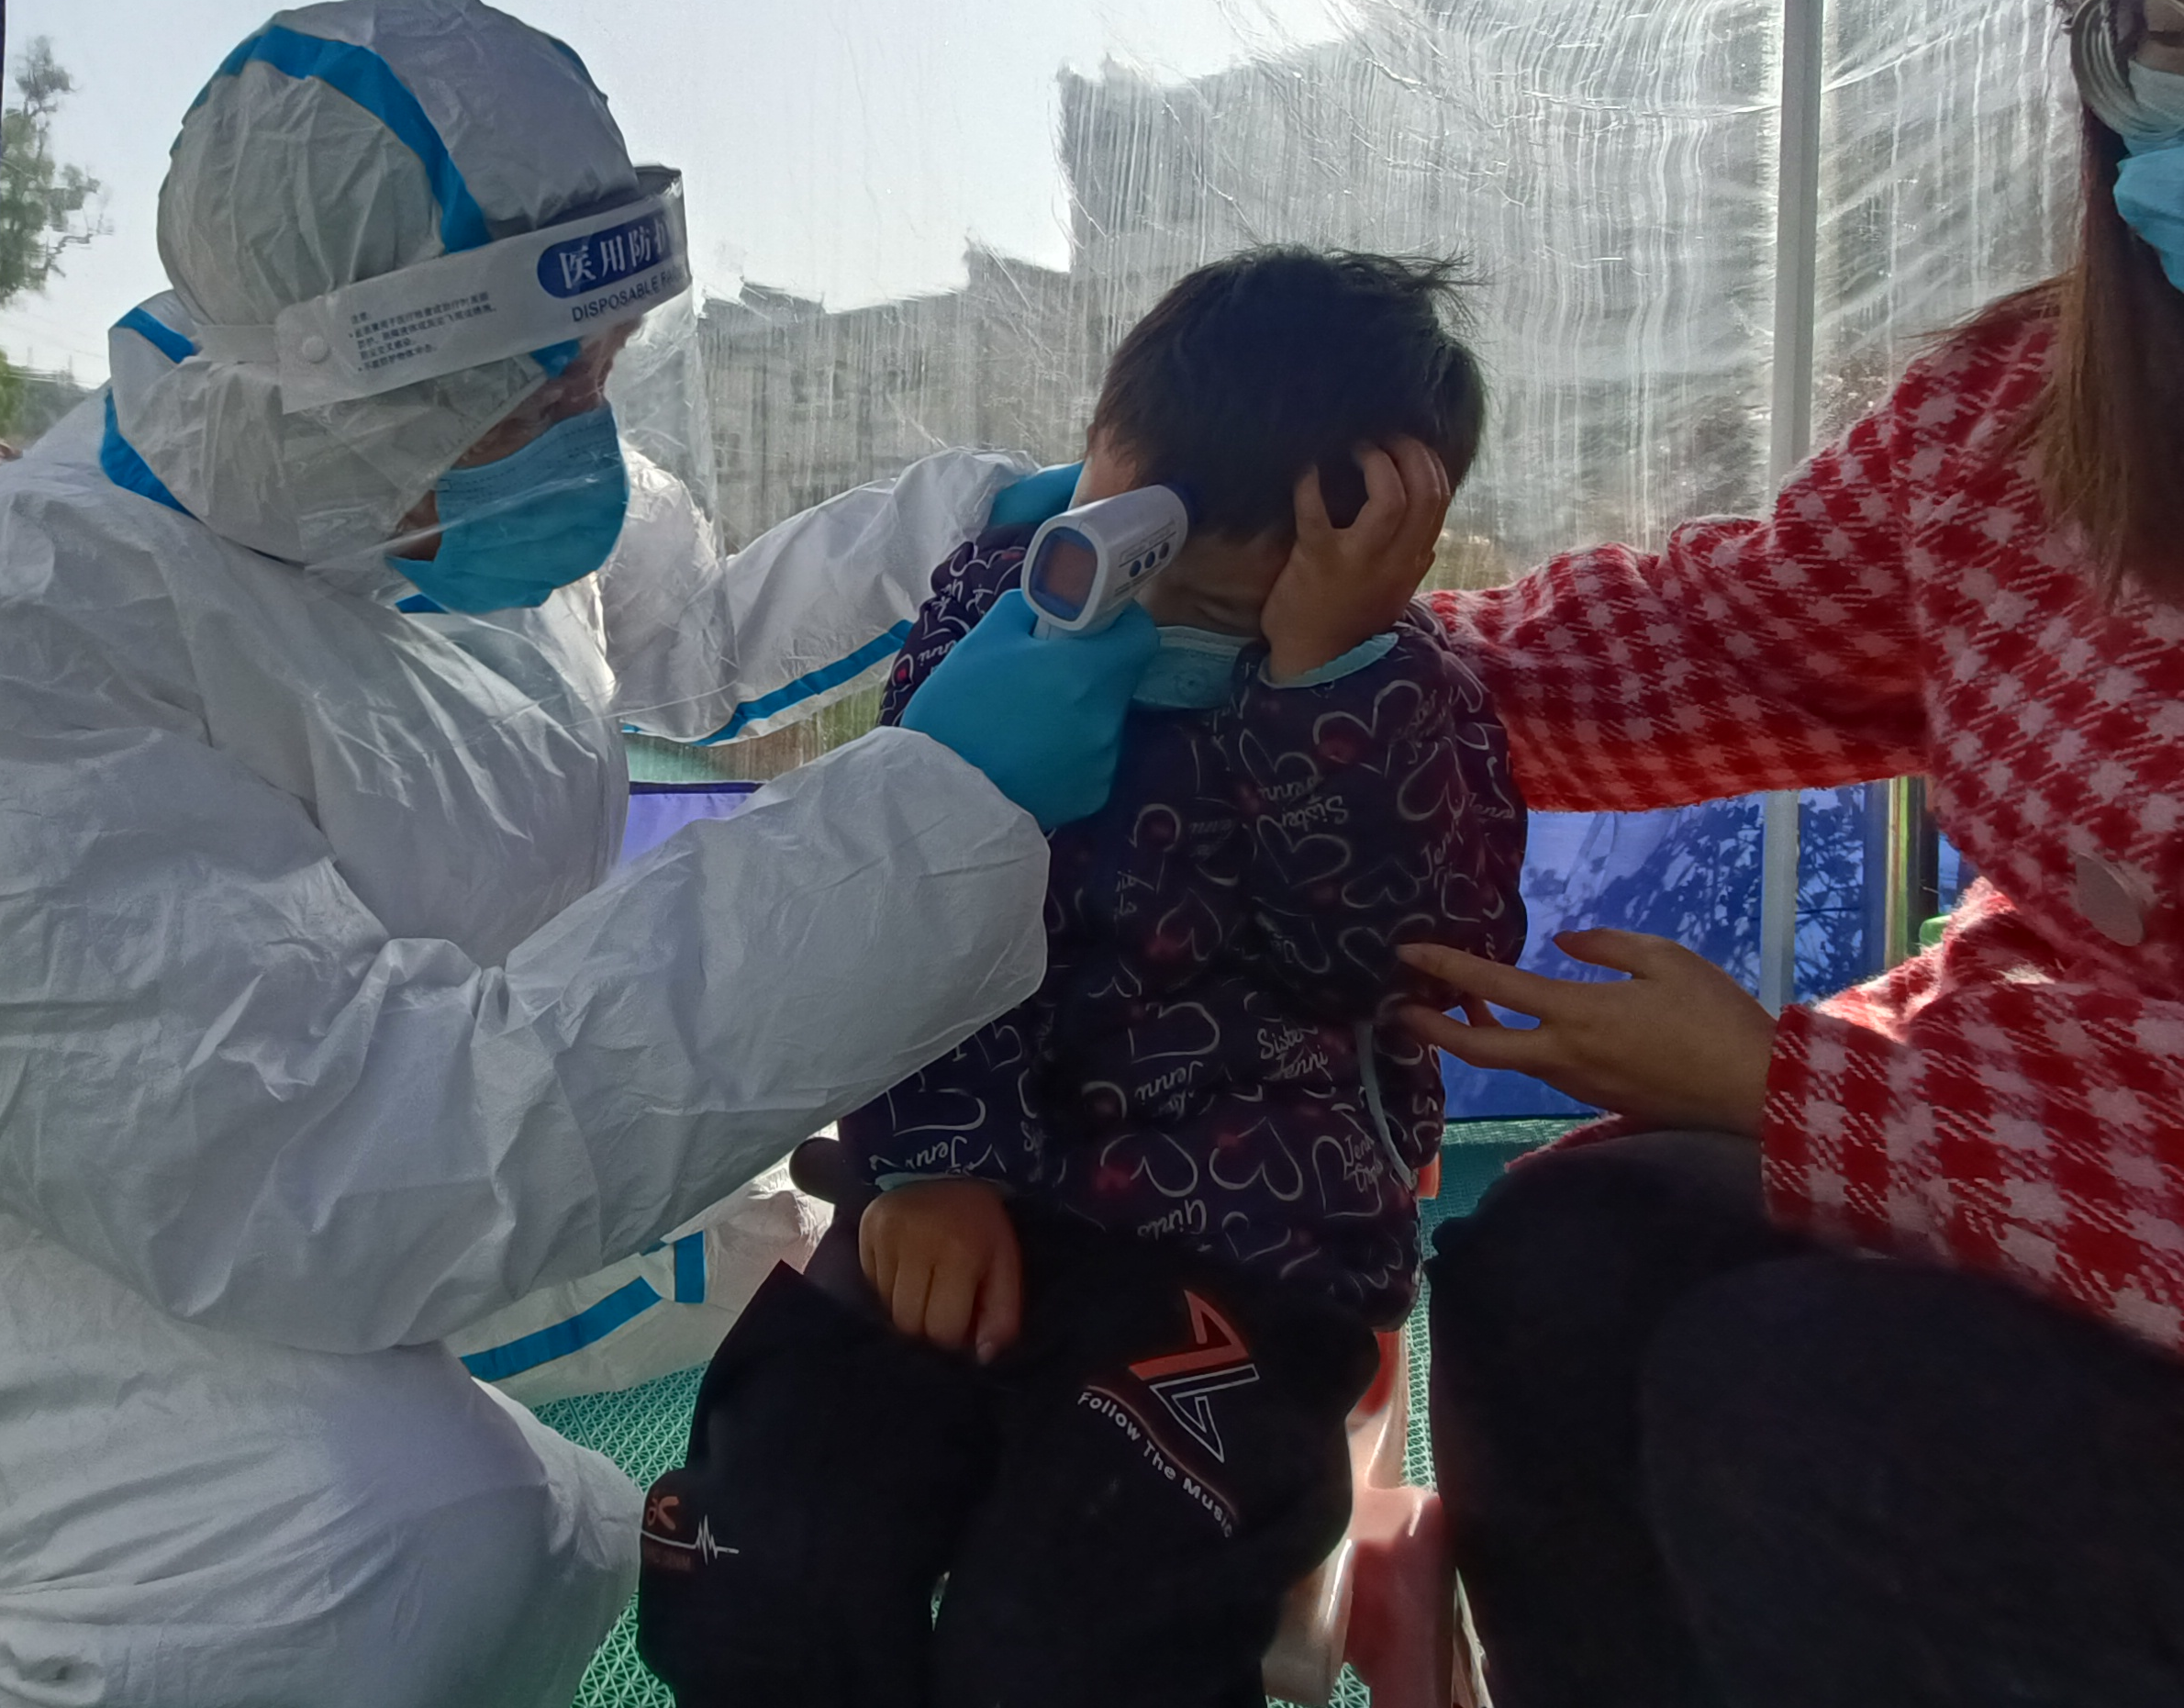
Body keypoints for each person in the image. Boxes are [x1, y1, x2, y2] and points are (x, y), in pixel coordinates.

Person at [0, 0, 1162, 1708]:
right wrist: (939, 809)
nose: (585, 429)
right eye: (540, 390)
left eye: (600, 367)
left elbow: (699, 637)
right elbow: (359, 1162)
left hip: (324, 1117)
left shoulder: (431, 478)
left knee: (605, 1476)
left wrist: (973, 541)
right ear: (349, 371)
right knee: (387, 1535)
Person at [1399, 0, 2184, 1706]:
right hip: (1999, 1136)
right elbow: (1710, 632)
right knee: (1553, 1257)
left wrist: (1803, 1095)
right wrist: (1301, 645)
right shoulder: (2025, 425)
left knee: (1810, 1404)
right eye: (2169, 40)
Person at [635, 250, 1529, 1708]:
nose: (1157, 622)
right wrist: (926, 1165)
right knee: (765, 1555)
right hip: (965, 1189)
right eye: (1138, 552)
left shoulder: (1402, 692)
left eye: (1223, 609)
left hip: (1240, 1240)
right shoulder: (997, 600)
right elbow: (915, 895)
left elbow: (1402, 962)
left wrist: (1319, 687)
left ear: (1371, 537)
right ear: (1103, 452)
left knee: (1070, 1634)